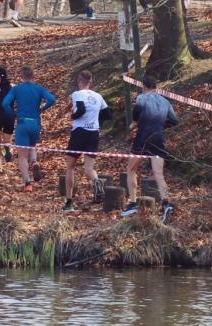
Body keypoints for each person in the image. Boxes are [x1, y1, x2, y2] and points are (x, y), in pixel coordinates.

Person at [121, 72, 177, 222]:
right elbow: (174, 121)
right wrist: (161, 125)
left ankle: (133, 203)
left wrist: (138, 122)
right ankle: (165, 203)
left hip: (143, 138)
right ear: (156, 87)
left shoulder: (141, 98)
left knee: (131, 169)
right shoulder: (165, 101)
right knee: (159, 174)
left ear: (143, 86)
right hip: (159, 138)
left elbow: (136, 114)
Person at [62, 69, 111, 212]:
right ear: (91, 82)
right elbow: (108, 115)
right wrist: (95, 120)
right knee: (89, 169)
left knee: (70, 167)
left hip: (79, 132)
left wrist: (72, 117)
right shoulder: (98, 96)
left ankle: (69, 202)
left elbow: (81, 110)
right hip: (93, 133)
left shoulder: (77, 94)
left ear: (79, 81)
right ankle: (96, 181)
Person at [2, 65, 56, 191]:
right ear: (33, 76)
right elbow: (52, 99)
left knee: (22, 156)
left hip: (22, 123)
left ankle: (27, 183)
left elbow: (5, 103)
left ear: (22, 76)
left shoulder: (17, 89)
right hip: (35, 123)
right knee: (32, 146)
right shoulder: (39, 89)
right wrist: (42, 108)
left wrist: (12, 114)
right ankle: (34, 162)